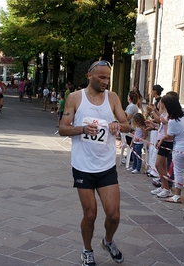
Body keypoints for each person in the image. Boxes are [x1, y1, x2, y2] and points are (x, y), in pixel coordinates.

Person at [59, 60, 130, 266]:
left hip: (106, 165)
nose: (105, 81)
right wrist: (82, 129)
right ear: (89, 76)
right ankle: (87, 249)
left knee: (114, 215)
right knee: (90, 214)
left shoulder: (113, 97)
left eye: (107, 77)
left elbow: (126, 125)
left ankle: (108, 241)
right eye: (101, 77)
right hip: (82, 166)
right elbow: (63, 128)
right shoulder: (75, 98)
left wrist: (118, 125)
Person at [160, 96, 184, 203]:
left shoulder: (172, 121)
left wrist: (162, 137)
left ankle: (177, 196)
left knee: (178, 171)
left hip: (180, 147)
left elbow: (170, 136)